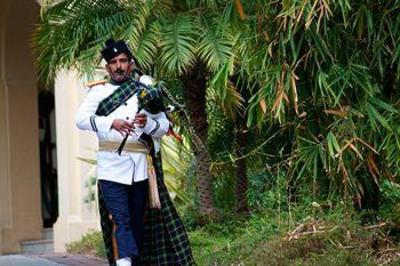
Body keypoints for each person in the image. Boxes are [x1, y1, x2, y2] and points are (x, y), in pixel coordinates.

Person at [75, 39, 194, 266]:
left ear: (130, 64)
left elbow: (164, 127)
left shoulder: (146, 91)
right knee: (120, 220)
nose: (118, 66)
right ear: (107, 67)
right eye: (113, 62)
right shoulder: (98, 92)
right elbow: (79, 120)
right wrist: (112, 123)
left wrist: (147, 122)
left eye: (122, 61)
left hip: (140, 169)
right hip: (110, 169)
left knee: (138, 223)